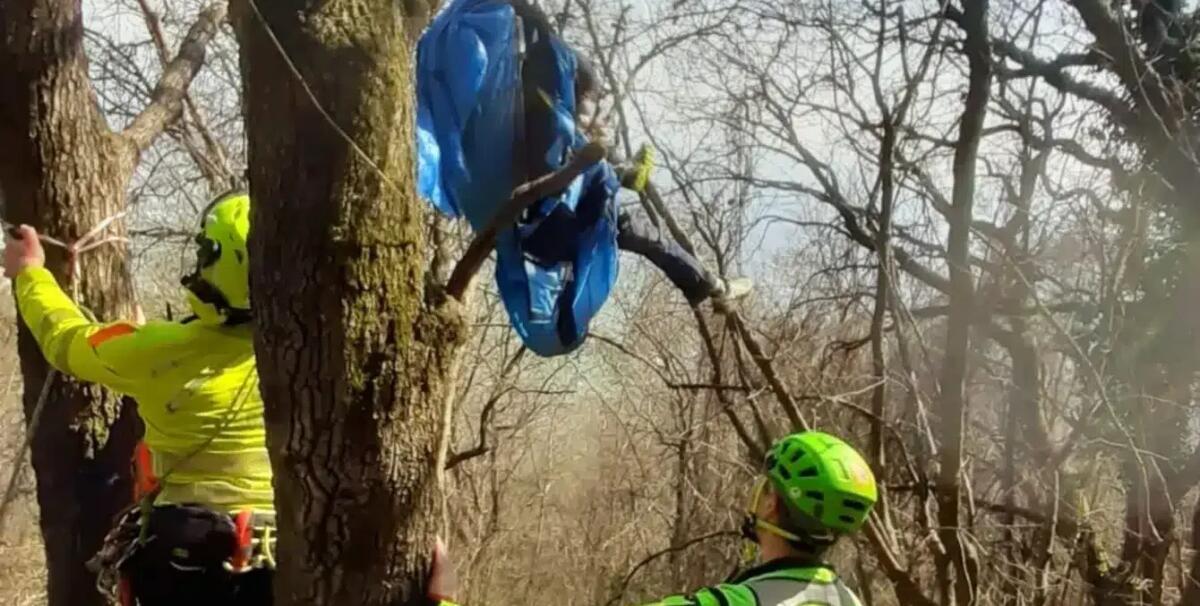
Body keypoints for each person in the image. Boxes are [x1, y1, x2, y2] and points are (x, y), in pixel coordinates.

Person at [4, 191, 275, 606]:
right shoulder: (311, 357)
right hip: (279, 557)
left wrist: (30, 273)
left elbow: (65, 341)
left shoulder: (160, 349)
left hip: (183, 558)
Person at [426, 431, 877, 605]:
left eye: (764, 488)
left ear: (772, 505)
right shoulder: (850, 602)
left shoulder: (731, 604)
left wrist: (445, 603)